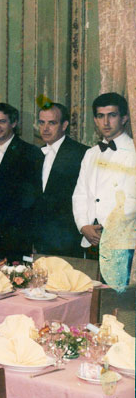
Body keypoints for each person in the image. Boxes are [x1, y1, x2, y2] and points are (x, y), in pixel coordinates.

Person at [72, 92, 135, 280]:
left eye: (112, 115)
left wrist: (108, 230)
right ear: (95, 120)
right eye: (101, 116)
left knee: (115, 301)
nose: (106, 122)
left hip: (120, 240)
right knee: (91, 298)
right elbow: (80, 194)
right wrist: (84, 226)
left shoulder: (133, 152)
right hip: (91, 239)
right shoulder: (90, 154)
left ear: (124, 118)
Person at [0, 103, 43, 262]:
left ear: (14, 123)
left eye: (2, 121)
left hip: (18, 231)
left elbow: (33, 197)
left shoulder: (30, 152)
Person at [31, 103, 88, 257]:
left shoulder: (81, 153)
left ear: (64, 125)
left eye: (52, 123)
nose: (45, 128)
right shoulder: (35, 154)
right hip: (39, 239)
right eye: (42, 123)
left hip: (67, 239)